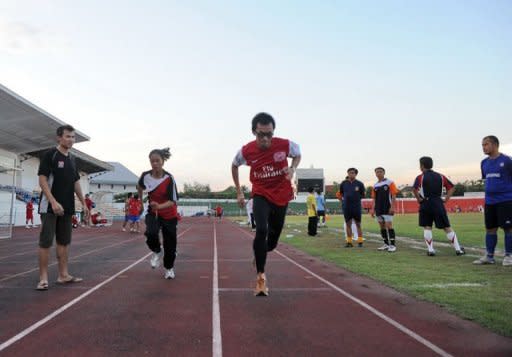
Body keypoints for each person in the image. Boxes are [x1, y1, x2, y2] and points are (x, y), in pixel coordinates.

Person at [232, 112, 301, 296]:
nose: (265, 138)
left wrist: (293, 168)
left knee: (272, 242)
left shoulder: (284, 144)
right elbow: (234, 165)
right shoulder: (246, 150)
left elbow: (298, 153)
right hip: (261, 193)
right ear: (254, 132)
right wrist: (239, 191)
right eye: (261, 134)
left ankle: (260, 253)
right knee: (261, 230)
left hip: (281, 194)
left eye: (269, 134)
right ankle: (261, 278)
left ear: (273, 132)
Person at [36, 124, 88, 291]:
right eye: (67, 136)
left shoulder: (72, 159)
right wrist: (52, 201)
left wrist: (84, 203)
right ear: (59, 137)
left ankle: (63, 275)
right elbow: (42, 179)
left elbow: (76, 182)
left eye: (73, 137)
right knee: (45, 242)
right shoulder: (50, 155)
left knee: (64, 242)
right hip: (50, 206)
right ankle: (43, 278)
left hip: (67, 206)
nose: (71, 140)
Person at [138, 148, 179, 279]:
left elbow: (173, 201)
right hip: (153, 212)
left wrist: (159, 206)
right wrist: (140, 201)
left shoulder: (169, 178)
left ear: (162, 162)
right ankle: (156, 250)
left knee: (170, 245)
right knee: (150, 233)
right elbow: (139, 186)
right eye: (152, 161)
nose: (154, 163)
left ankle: (169, 268)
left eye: (157, 161)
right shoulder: (145, 176)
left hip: (169, 213)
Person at [412, 156, 465, 256]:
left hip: (425, 203)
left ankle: (431, 250)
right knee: (447, 227)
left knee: (427, 227)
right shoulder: (441, 176)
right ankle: (458, 249)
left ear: (422, 166)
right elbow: (451, 187)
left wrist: (419, 199)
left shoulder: (420, 177)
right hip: (437, 202)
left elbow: (414, 189)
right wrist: (446, 198)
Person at [473, 136, 512, 266]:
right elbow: (487, 179)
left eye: (486, 144)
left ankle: (509, 256)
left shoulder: (507, 161)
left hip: (506, 200)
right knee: (490, 229)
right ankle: (489, 256)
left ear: (495, 145)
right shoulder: (484, 163)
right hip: (490, 201)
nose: (484, 147)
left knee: (508, 228)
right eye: (482, 145)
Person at [370, 167, 399, 252]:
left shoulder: (390, 182)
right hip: (378, 209)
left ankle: (393, 245)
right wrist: (372, 209)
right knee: (382, 227)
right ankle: (386, 244)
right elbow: (374, 199)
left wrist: (392, 207)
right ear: (375, 174)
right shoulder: (375, 185)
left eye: (380, 172)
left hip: (387, 207)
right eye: (377, 172)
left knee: (389, 226)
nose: (378, 173)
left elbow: (394, 196)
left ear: (384, 173)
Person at [339, 168, 365, 247]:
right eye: (349, 173)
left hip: (356, 207)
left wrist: (355, 199)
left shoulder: (359, 183)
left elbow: (362, 195)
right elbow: (342, 193)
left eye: (353, 173)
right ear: (347, 173)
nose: (351, 174)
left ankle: (360, 242)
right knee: (348, 224)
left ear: (356, 174)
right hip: (347, 207)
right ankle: (349, 242)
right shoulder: (343, 183)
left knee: (358, 224)